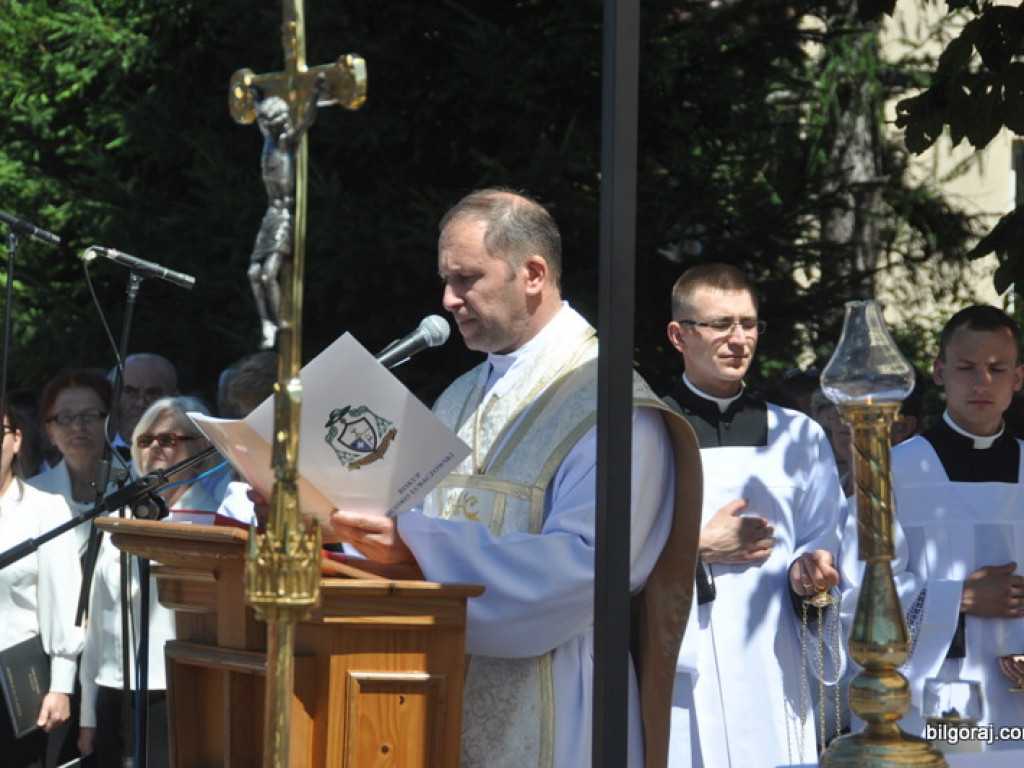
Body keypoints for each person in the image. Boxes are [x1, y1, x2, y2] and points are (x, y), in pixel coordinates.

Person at [327, 188, 701, 768]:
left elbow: (589, 571)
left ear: (532, 274)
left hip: (563, 701)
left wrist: (414, 545)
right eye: (446, 280)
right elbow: (403, 523)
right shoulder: (458, 397)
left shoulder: (613, 407)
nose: (448, 299)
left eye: (467, 278)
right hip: (436, 687)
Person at [661, 263, 846, 768]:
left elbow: (825, 544)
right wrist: (696, 549)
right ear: (679, 335)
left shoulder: (799, 437)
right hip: (681, 664)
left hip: (773, 663)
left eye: (748, 324)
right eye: (720, 324)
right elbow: (612, 555)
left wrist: (810, 574)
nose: (739, 339)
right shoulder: (647, 430)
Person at [841, 305, 1024, 743]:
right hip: (937, 690)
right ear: (940, 372)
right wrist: (958, 597)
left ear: (1018, 378)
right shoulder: (891, 472)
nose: (982, 383)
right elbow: (859, 595)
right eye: (966, 367)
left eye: (997, 369)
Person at [77, 396, 219, 767]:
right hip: (112, 689)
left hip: (176, 690)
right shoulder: (119, 515)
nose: (154, 447)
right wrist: (88, 711)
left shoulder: (217, 519)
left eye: (168, 439)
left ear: (200, 448)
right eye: (145, 440)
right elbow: (98, 621)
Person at [0, 404, 84, 768]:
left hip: (16, 682)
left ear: (16, 440)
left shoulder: (44, 509)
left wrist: (61, 684)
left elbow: (65, 601)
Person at [248, 79, 323, 349]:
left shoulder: (285, 142)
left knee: (268, 274)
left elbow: (306, 121)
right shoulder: (268, 141)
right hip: (270, 214)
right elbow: (259, 115)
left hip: (284, 214)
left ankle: (280, 323)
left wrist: (315, 93)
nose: (268, 125)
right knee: (253, 273)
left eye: (272, 121)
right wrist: (255, 97)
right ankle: (266, 323)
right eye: (265, 121)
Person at [29, 369, 118, 556]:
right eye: (65, 417)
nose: (78, 426)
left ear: (113, 423)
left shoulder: (137, 485)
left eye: (91, 414)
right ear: (50, 431)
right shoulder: (32, 495)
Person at [110, 354, 178, 451]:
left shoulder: (188, 451)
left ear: (173, 398)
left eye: (152, 393)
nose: (140, 403)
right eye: (129, 392)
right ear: (112, 394)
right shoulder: (95, 448)